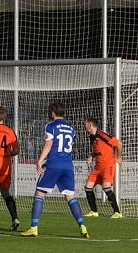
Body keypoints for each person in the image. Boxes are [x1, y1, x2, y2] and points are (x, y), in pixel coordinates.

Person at [22, 102, 89, 238]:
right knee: (70, 197)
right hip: (68, 166)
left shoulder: (50, 126)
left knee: (39, 194)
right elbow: (70, 144)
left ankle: (34, 227)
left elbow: (49, 144)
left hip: (53, 165)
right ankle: (82, 226)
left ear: (52, 112)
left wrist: (40, 161)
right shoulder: (71, 129)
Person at [83, 117, 124, 218]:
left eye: (85, 124)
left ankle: (117, 212)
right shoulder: (91, 137)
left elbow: (119, 143)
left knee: (106, 188)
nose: (84, 126)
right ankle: (94, 211)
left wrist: (118, 157)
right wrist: (91, 156)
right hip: (98, 166)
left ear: (90, 125)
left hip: (107, 165)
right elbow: (98, 150)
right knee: (88, 187)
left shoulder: (102, 134)